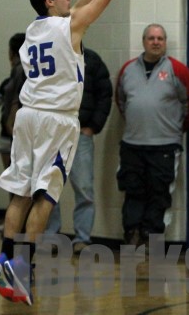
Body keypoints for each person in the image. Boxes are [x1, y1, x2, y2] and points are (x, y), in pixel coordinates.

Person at [0, 0, 163, 306]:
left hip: (27, 116)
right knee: (46, 195)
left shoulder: (33, 30)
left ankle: (5, 255)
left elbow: (80, 6)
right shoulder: (70, 27)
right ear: (50, 1)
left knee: (20, 190)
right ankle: (23, 267)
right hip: (56, 120)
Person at [115, 23, 189, 248]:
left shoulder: (178, 70)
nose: (156, 42)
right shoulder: (127, 69)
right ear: (144, 42)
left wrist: (175, 128)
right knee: (133, 191)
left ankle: (152, 236)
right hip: (132, 144)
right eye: (151, 38)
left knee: (159, 193)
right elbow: (121, 101)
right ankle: (132, 233)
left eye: (160, 38)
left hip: (165, 145)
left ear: (165, 42)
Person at [45, 47, 113, 255]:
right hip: (52, 133)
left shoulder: (92, 60)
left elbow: (105, 94)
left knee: (84, 188)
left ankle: (82, 238)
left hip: (80, 134)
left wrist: (93, 126)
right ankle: (51, 237)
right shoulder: (49, 56)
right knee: (49, 188)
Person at [0, 33, 27, 170]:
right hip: (7, 134)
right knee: (12, 176)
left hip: (19, 131)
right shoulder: (8, 83)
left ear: (12, 53)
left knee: (18, 176)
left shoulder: (22, 75)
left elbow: (16, 102)